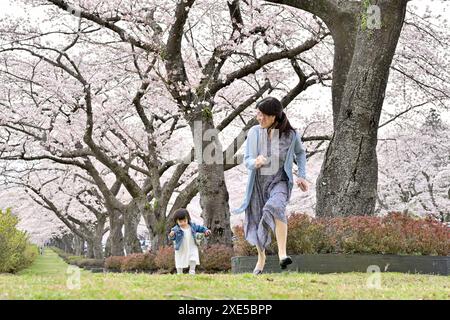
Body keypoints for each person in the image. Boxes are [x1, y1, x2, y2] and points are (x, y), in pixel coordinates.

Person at [233, 97, 309, 275]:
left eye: (264, 115)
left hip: (280, 181)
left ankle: (283, 254)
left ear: (275, 116)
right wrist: (256, 162)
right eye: (258, 114)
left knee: (275, 206)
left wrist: (302, 176)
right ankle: (261, 257)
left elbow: (300, 153)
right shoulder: (254, 132)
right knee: (257, 219)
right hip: (258, 184)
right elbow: (247, 160)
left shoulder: (291, 135)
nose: (260, 118)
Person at [168, 208, 211, 275]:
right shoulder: (175, 229)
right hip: (181, 247)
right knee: (180, 259)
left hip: (192, 245)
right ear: (176, 221)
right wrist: (171, 235)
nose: (183, 223)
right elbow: (172, 238)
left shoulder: (192, 226)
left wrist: (206, 230)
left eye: (185, 221)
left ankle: (192, 271)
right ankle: (179, 272)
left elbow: (201, 228)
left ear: (188, 219)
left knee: (193, 257)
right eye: (180, 222)